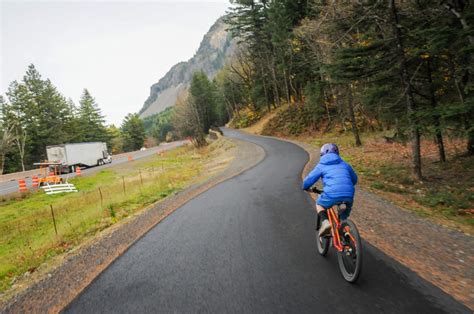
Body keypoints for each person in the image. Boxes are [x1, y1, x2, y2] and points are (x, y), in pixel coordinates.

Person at [302, 143, 358, 237]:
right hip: (349, 194)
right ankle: (345, 231)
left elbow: (309, 180)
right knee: (343, 217)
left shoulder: (321, 165)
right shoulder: (345, 164)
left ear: (322, 154)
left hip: (331, 194)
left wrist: (305, 187)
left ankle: (325, 222)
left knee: (319, 204)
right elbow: (355, 180)